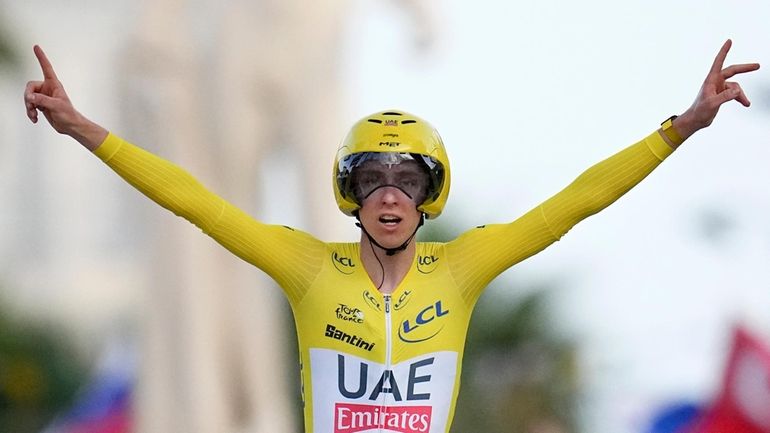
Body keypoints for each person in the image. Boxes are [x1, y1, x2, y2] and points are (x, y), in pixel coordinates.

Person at [24, 41, 759, 433]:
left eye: (407, 180)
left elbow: (572, 204)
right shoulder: (308, 265)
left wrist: (681, 126)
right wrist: (83, 128)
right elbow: (195, 201)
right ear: (349, 190)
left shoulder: (463, 266)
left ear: (428, 194)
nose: (388, 194)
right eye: (371, 177)